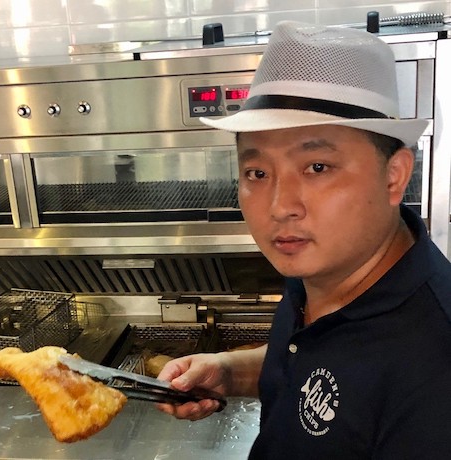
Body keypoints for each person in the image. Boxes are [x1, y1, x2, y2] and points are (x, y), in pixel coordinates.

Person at [156, 21, 451, 459]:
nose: (280, 206)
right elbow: (318, 366)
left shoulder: (435, 373)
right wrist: (229, 371)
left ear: (394, 176)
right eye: (258, 173)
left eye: (317, 167)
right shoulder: (325, 268)